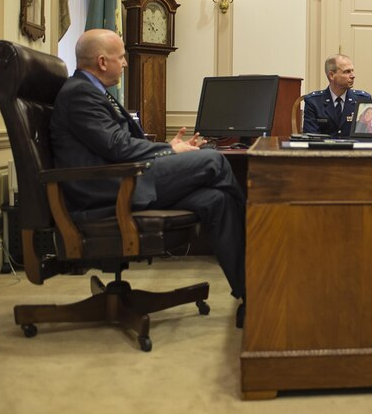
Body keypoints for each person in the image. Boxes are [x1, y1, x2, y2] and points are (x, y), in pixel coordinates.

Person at [50, 29, 246, 322]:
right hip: (108, 190)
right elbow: (117, 147)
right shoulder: (80, 93)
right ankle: (262, 243)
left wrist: (170, 147)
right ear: (102, 62)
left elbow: (118, 142)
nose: (125, 63)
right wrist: (170, 151)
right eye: (122, 57)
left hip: (124, 179)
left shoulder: (92, 91)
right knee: (213, 161)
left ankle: (252, 293)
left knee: (215, 199)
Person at [302, 54, 371, 137]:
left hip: (353, 149)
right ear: (331, 75)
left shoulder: (363, 100)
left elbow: (366, 137)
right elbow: (311, 137)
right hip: (324, 149)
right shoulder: (314, 102)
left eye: (352, 71)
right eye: (347, 72)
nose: (353, 76)